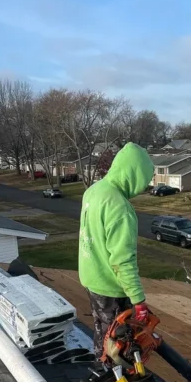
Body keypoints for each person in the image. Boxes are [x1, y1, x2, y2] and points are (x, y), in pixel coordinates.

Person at [78, 142, 156, 356]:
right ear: (134, 175)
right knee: (117, 349)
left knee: (101, 333)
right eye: (144, 181)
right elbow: (122, 261)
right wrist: (138, 300)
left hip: (91, 279)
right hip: (110, 287)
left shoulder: (94, 191)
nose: (143, 187)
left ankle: (100, 364)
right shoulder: (120, 207)